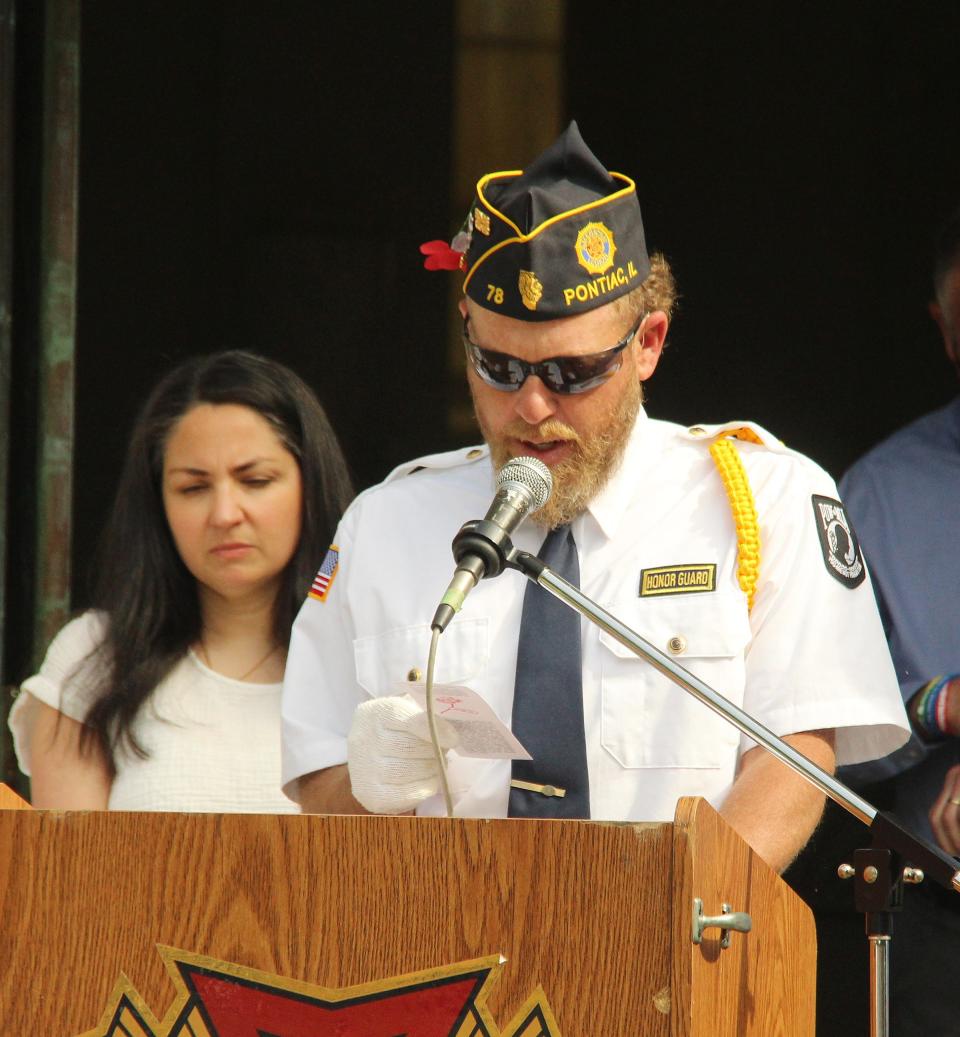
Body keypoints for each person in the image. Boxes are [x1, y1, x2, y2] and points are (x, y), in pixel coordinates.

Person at [281, 123, 909, 872]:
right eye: (498, 367)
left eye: (572, 373)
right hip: (444, 956)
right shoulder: (386, 523)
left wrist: (662, 927)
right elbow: (316, 773)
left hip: (672, 949)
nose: (533, 407)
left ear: (648, 343)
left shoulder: (762, 499)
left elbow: (794, 755)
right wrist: (365, 784)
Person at [9, 350, 354, 812]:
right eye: (194, 488)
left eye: (255, 480)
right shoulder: (93, 658)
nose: (226, 514)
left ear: (310, 485)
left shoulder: (370, 664)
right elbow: (68, 875)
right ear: (158, 504)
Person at [832, 205, 960, 1035]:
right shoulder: (873, 496)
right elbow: (818, 739)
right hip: (934, 939)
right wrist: (938, 705)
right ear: (944, 327)